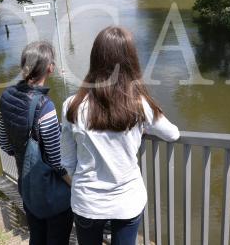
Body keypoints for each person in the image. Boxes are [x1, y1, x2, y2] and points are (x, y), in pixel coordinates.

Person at [61, 26, 180, 245]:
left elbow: (66, 162)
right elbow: (173, 134)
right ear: (130, 60)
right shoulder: (139, 105)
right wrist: (142, 127)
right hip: (127, 200)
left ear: (95, 59)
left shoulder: (73, 105)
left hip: (87, 202)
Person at [0, 41, 73, 245]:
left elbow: (5, 144)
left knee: (37, 237)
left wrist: (26, 156)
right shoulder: (45, 107)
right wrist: (73, 186)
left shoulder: (6, 97)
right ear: (50, 68)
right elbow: (56, 162)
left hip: (27, 187)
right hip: (52, 195)